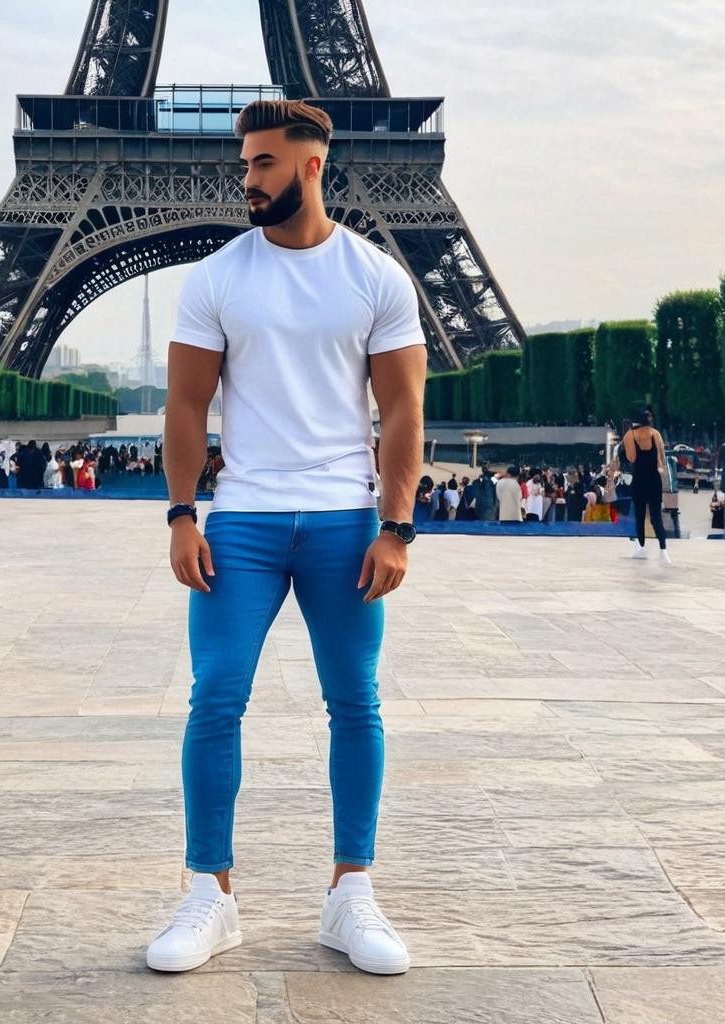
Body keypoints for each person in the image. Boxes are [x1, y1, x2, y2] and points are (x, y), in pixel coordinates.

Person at [151, 98, 423, 977]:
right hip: (246, 523)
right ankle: (209, 894)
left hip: (346, 521)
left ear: (311, 164)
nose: (246, 179)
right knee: (215, 698)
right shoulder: (219, 275)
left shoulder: (377, 275)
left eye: (263, 163)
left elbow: (405, 408)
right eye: (245, 163)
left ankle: (352, 892)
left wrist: (397, 527)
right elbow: (187, 405)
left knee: (357, 703)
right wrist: (182, 512)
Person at [622, 408, 670, 563]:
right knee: (656, 516)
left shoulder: (630, 435)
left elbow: (631, 458)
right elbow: (661, 456)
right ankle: (663, 551)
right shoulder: (655, 434)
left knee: (640, 515)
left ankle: (641, 548)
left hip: (639, 479)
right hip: (654, 479)